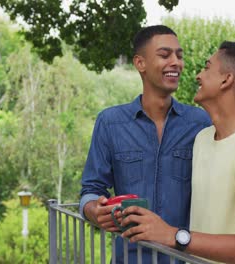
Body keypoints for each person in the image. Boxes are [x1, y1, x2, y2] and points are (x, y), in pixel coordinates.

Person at [119, 41, 235, 264]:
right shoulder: (203, 139)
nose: (198, 76)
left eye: (206, 67)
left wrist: (174, 235)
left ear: (227, 80)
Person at [79, 25, 211, 263]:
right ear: (140, 63)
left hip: (185, 259)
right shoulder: (109, 122)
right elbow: (91, 189)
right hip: (128, 258)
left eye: (179, 56)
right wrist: (93, 211)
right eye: (164, 55)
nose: (176, 62)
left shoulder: (201, 123)